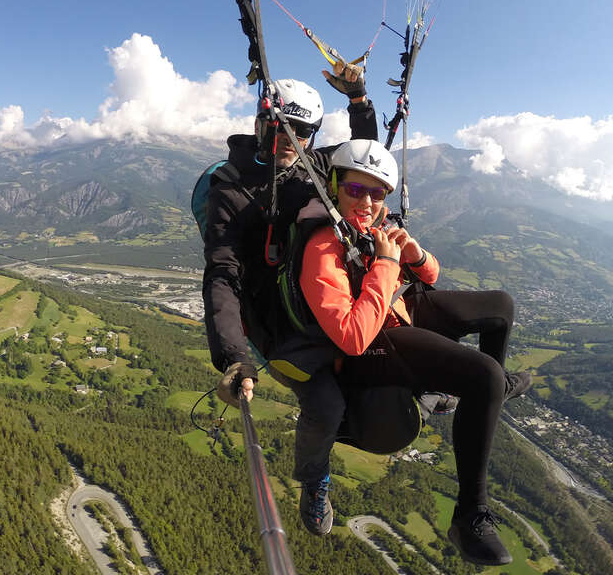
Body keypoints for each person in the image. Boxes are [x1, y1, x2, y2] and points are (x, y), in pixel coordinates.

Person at [288, 138, 531, 566]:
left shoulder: (367, 230)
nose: (366, 201)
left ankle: (492, 390)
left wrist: (414, 255)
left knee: (500, 308)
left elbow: (430, 276)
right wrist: (385, 264)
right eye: (355, 190)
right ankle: (469, 514)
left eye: (377, 193)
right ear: (333, 187)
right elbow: (351, 336)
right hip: (370, 347)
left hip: (393, 313)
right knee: (484, 377)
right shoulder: (322, 247)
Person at [203, 62, 377, 404]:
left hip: (327, 300)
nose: (290, 140)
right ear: (260, 124)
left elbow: (366, 156)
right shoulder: (230, 192)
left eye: (302, 132)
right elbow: (223, 274)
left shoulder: (316, 165)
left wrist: (358, 100)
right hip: (278, 321)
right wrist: (234, 356)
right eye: (281, 127)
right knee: (325, 406)